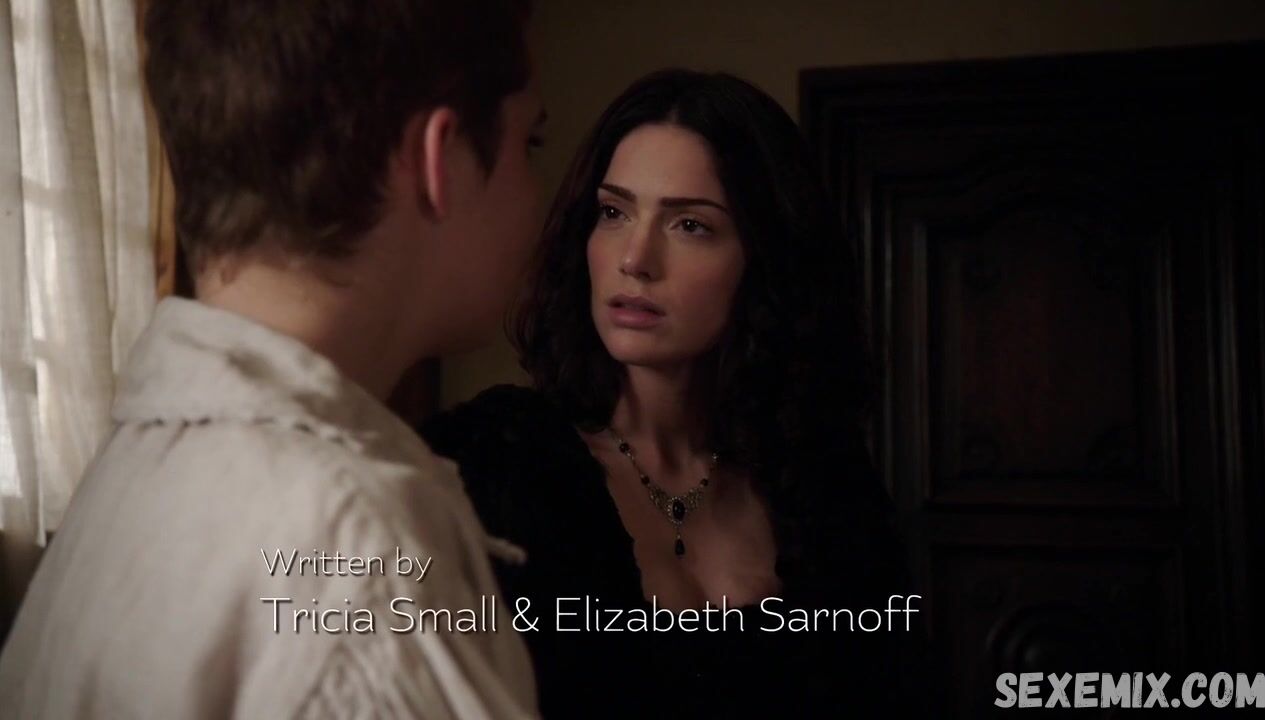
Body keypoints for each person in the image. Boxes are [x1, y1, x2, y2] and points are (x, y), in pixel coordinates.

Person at [0, 1, 545, 717]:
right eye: (530, 144)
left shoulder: (136, 469)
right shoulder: (361, 571)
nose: (539, 194)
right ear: (437, 161)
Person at [420, 69, 933, 716]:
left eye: (689, 225)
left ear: (764, 259)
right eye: (613, 213)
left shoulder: (828, 489)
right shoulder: (493, 466)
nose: (635, 259)